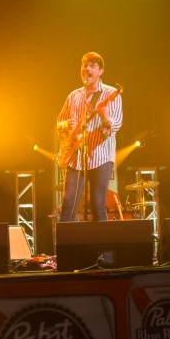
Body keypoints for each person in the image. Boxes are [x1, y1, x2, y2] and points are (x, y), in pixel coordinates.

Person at [57, 52, 123, 222]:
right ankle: (66, 248)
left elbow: (115, 125)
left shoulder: (111, 93)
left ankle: (103, 248)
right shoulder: (73, 96)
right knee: (68, 203)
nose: (87, 69)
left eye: (92, 66)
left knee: (97, 203)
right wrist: (66, 125)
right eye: (84, 65)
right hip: (75, 157)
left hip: (100, 155)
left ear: (101, 71)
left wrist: (106, 118)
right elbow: (59, 122)